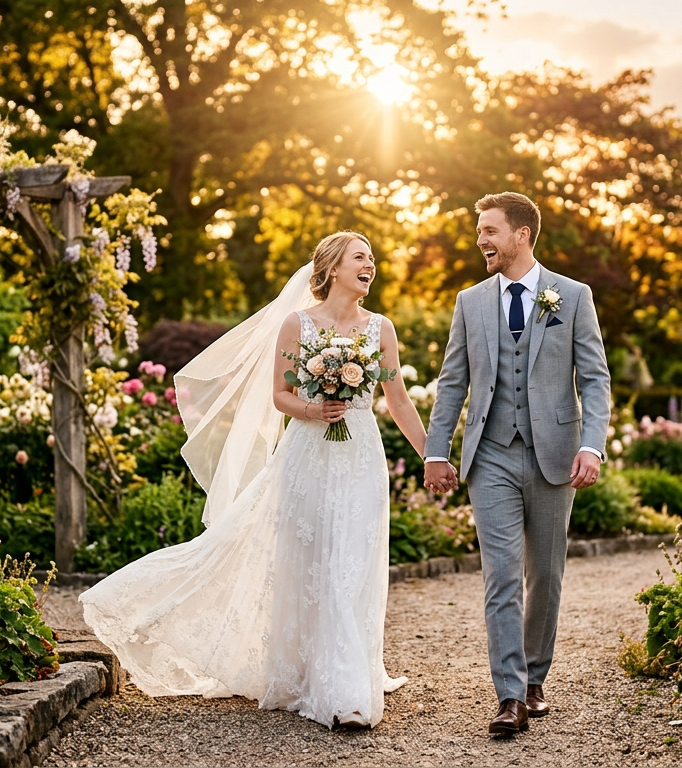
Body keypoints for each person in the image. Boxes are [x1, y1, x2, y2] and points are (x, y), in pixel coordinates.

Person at [80, 231, 428, 729]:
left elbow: (397, 399)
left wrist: (431, 455)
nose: (369, 264)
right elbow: (280, 396)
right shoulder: (298, 325)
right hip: (308, 453)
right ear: (333, 269)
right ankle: (303, 675)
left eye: (371, 258)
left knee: (352, 563)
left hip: (361, 456)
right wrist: (314, 408)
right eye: (359, 257)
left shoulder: (381, 329)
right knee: (308, 563)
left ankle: (348, 689)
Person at [423, 191, 611, 737]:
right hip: (491, 457)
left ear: (521, 234)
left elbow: (595, 379)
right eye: (480, 231)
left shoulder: (572, 296)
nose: (480, 240)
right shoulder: (470, 302)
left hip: (555, 455)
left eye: (489, 230)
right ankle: (508, 696)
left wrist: (591, 445)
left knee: (545, 576)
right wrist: (438, 450)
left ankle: (534, 680)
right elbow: (452, 380)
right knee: (500, 576)